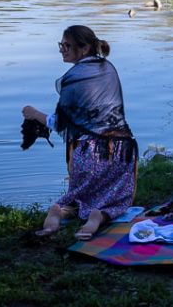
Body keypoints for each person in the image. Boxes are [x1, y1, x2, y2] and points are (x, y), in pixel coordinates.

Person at [21, 25, 137, 240]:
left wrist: (34, 113)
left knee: (77, 198)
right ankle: (98, 216)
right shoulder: (108, 68)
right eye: (61, 45)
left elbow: (61, 124)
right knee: (116, 200)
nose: (61, 50)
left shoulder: (72, 78)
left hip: (89, 155)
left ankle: (59, 211)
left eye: (66, 46)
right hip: (123, 152)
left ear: (83, 49)